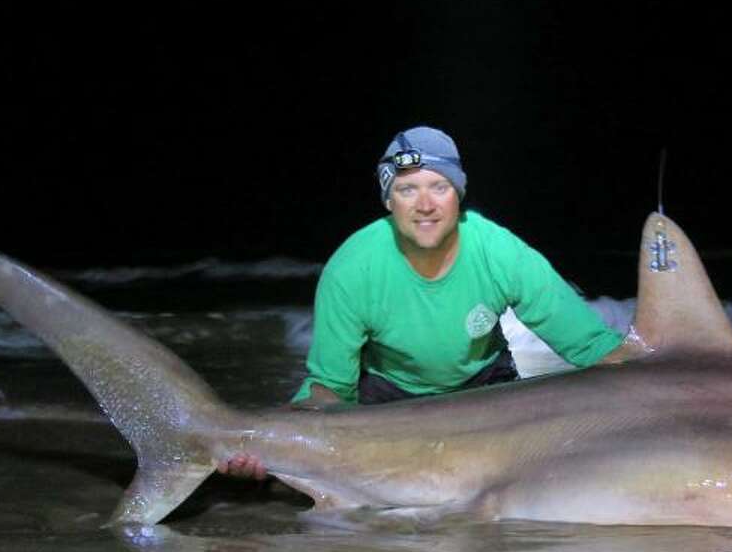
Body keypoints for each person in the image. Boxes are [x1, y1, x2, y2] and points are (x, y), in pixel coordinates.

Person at [220, 125, 634, 479]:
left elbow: (589, 345)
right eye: (407, 189)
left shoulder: (500, 252)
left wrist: (664, 382)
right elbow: (330, 388)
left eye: (439, 186)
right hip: (387, 396)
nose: (424, 204)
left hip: (484, 389)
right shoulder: (352, 269)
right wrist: (266, 446)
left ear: (458, 195)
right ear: (388, 200)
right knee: (292, 484)